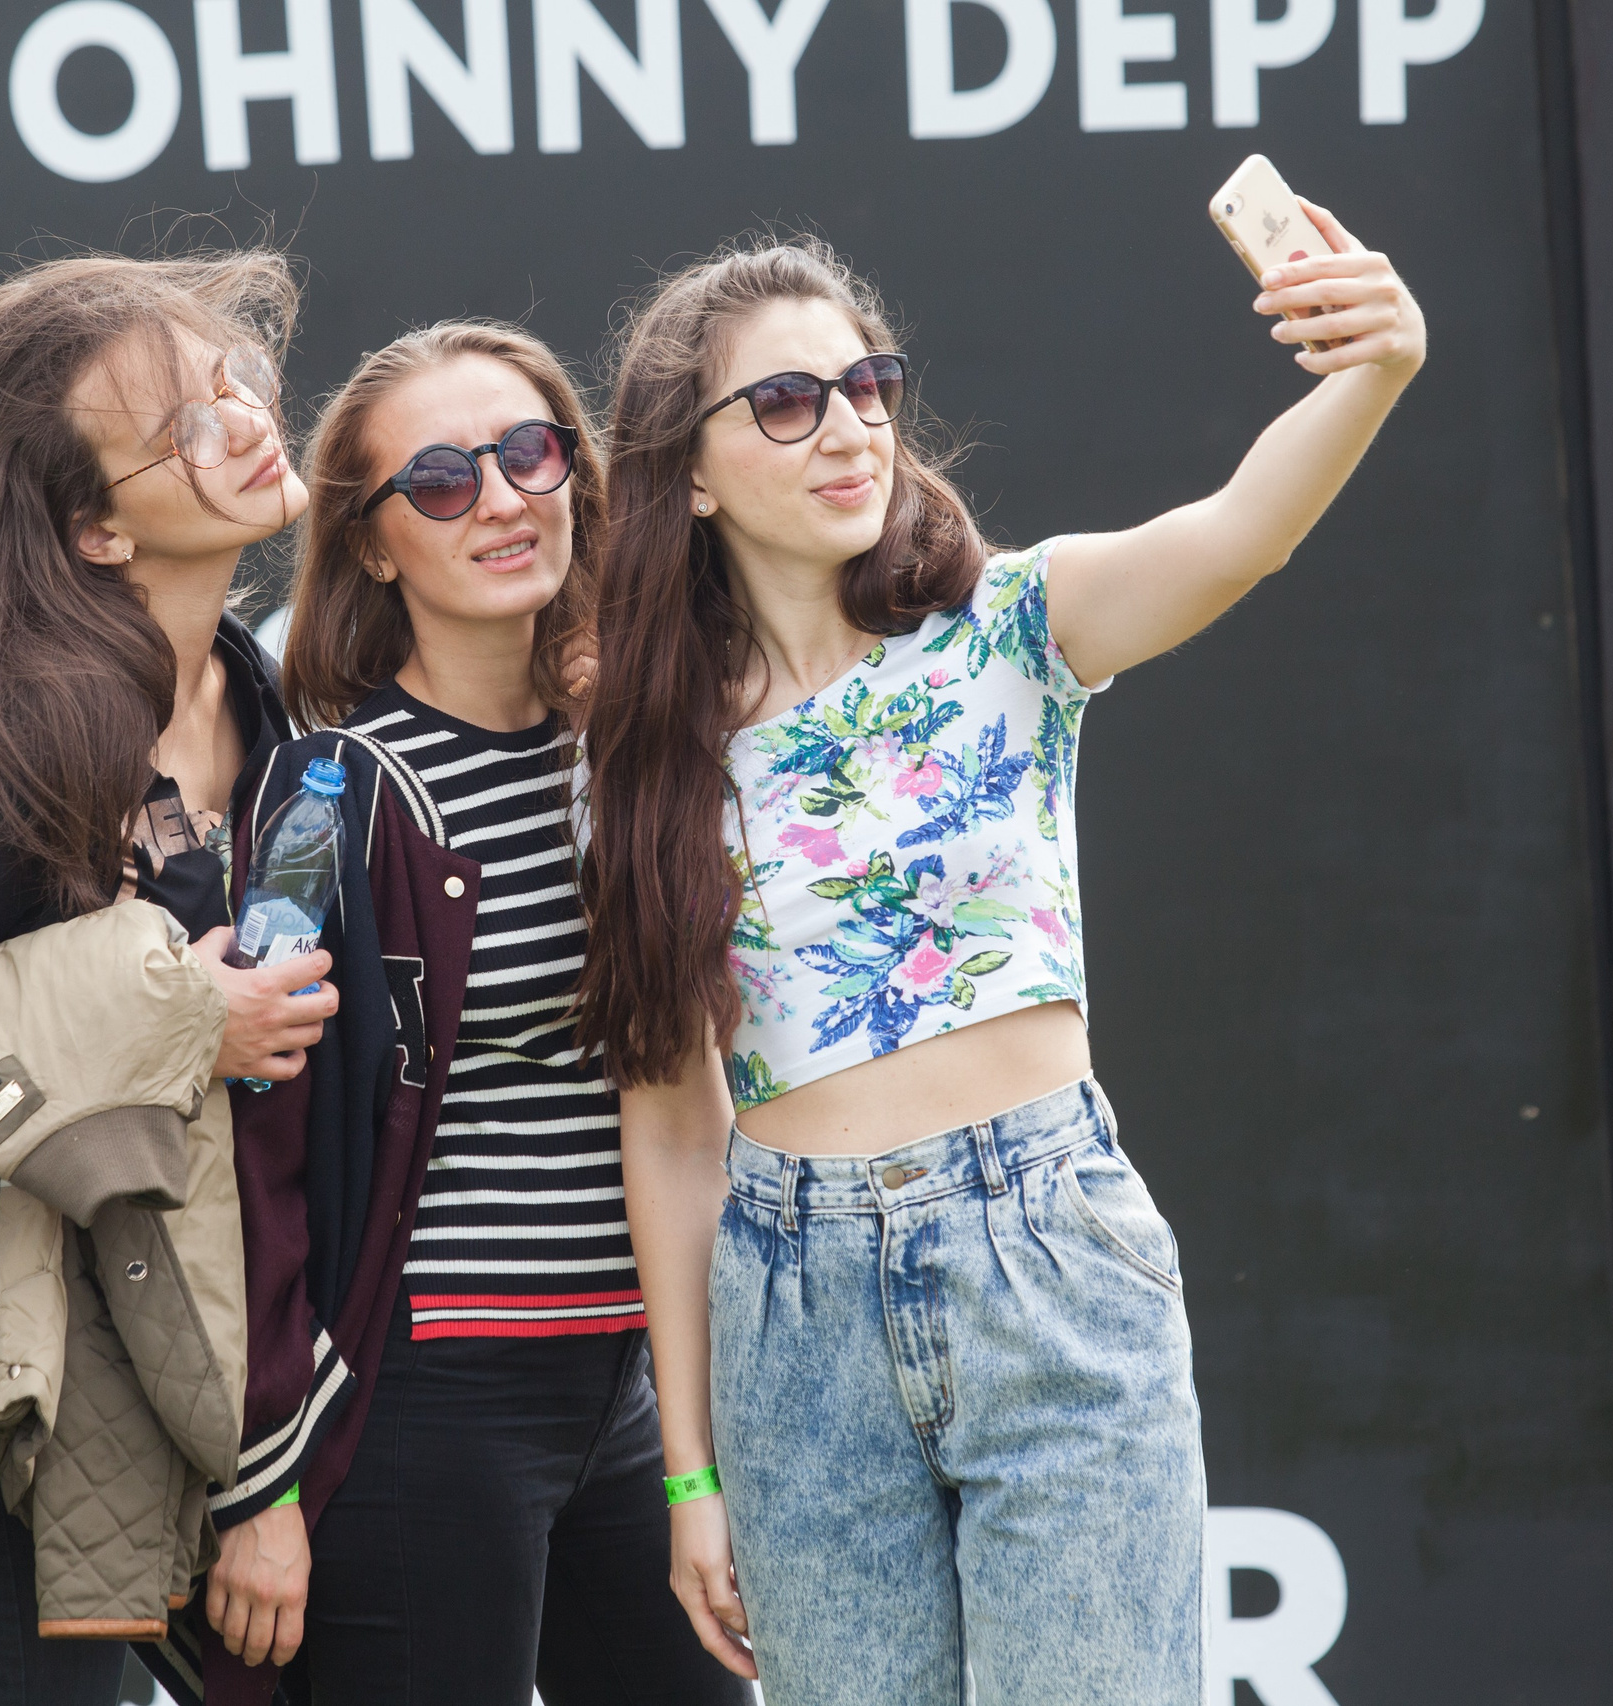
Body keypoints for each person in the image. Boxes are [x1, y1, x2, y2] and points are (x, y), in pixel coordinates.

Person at [580, 219, 1427, 1704]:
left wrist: (1377, 365)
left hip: (1046, 1251)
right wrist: (689, 1473)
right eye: (789, 401)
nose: (848, 426)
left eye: (869, 384)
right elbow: (669, 1132)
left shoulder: (1012, 626)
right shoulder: (647, 762)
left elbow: (1244, 529)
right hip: (793, 1310)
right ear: (691, 471)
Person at [0, 250, 339, 1706]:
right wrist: (176, 1020)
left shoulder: (245, 679)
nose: (246, 424)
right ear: (93, 527)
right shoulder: (18, 725)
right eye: (188, 427)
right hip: (5, 1399)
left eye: (237, 387)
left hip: (205, 1358)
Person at [186, 322, 746, 1706]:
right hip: (429, 1408)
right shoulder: (327, 794)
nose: (500, 496)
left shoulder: (640, 756)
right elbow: (257, 1157)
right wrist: (263, 1480)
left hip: (633, 1393)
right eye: (440, 480)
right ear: (373, 544)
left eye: (530, 451)